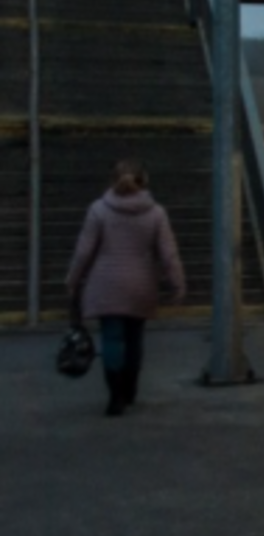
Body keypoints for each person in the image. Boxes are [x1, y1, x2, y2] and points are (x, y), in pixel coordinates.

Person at [66, 159, 186, 417]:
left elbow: (84, 251)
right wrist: (178, 283)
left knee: (111, 338)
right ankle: (130, 389)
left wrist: (72, 280)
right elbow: (168, 254)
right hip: (141, 285)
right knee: (134, 340)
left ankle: (115, 397)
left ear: (112, 180)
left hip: (106, 284)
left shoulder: (98, 210)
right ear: (144, 181)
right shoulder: (156, 213)